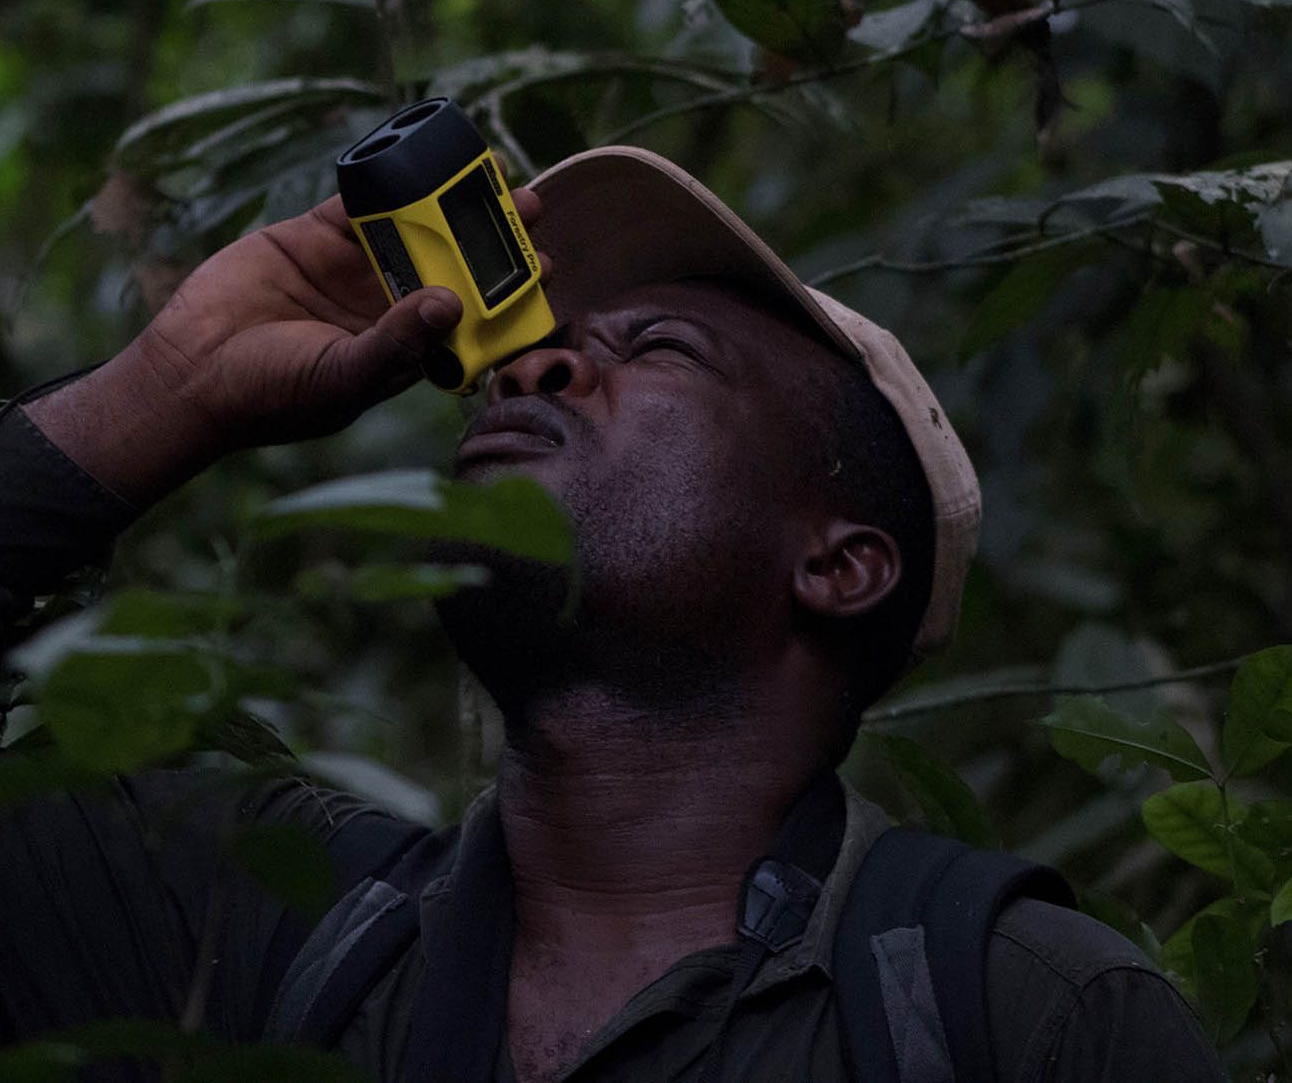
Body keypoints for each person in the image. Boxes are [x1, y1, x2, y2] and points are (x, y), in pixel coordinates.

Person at [0, 143, 1222, 1081]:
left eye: (664, 351)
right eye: (548, 345)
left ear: (839, 564)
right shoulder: (245, 915)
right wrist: (170, 388)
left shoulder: (1024, 1017)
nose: (530, 365)